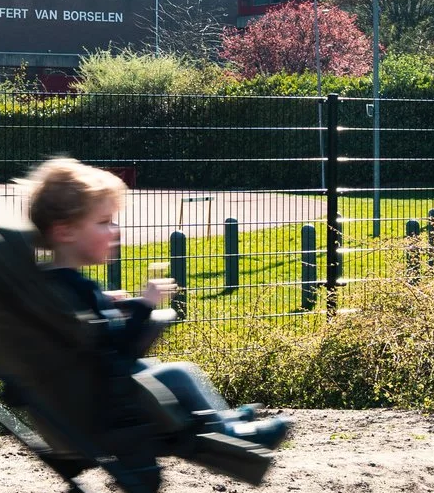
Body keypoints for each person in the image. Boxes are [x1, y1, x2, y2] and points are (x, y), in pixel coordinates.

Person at [23, 157, 289, 450]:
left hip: (81, 396)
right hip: (104, 404)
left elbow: (89, 332)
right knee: (179, 372)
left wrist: (108, 304)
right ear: (65, 231)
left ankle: (223, 418)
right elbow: (122, 348)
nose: (114, 231)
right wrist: (146, 306)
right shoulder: (78, 288)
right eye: (103, 222)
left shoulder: (54, 284)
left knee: (162, 368)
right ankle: (229, 431)